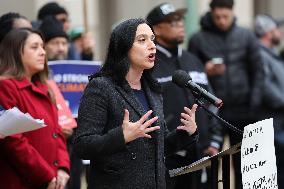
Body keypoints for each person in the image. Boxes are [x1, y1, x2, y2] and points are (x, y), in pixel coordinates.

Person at [73, 18, 198, 189]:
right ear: (123, 47)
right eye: (142, 40)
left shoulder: (153, 90)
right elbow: (82, 145)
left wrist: (185, 133)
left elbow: (158, 146)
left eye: (152, 39)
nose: (152, 45)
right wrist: (121, 137)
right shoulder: (101, 87)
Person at [146, 3, 223, 189]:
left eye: (180, 19)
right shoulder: (149, 65)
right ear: (156, 29)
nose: (180, 24)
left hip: (203, 154)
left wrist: (215, 140)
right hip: (169, 160)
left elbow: (210, 101)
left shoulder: (193, 60)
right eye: (173, 21)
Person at [188, 0, 263, 188]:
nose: (221, 21)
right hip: (213, 111)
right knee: (211, 160)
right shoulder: (199, 39)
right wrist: (206, 71)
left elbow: (258, 72)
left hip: (243, 109)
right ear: (212, 15)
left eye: (225, 17)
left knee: (245, 163)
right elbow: (191, 74)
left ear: (232, 13)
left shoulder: (246, 36)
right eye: (217, 17)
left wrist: (254, 104)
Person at [0, 28, 70, 188]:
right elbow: (13, 141)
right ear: (16, 52)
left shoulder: (45, 88)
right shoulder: (5, 86)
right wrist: (47, 176)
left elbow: (57, 132)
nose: (42, 52)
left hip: (52, 180)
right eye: (34, 47)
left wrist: (62, 168)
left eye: (42, 47)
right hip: (20, 182)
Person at [254, 14, 284, 188]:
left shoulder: (272, 54)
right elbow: (265, 86)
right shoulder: (260, 54)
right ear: (268, 32)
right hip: (273, 119)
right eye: (275, 29)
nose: (278, 32)